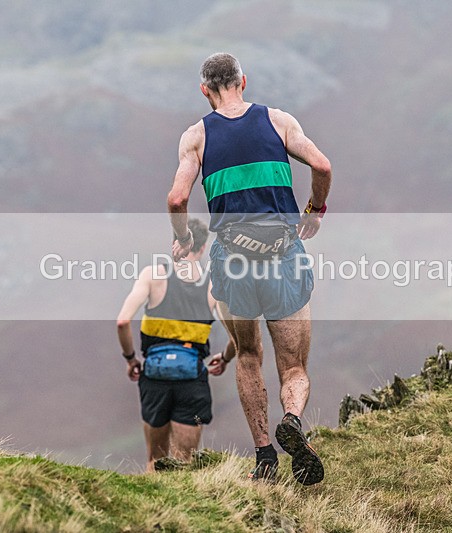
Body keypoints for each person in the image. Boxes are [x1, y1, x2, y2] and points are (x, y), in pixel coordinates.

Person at [167, 53, 332, 484]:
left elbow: (177, 200)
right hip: (282, 254)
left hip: (233, 261)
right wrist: (315, 209)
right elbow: (322, 165)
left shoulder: (196, 137)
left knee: (249, 357)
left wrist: (186, 241)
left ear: (205, 91)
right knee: (293, 367)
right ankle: (292, 421)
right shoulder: (278, 122)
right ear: (244, 80)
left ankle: (264, 455)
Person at [116, 218, 234, 472]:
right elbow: (237, 337)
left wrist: (131, 359)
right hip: (191, 380)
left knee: (154, 461)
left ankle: (151, 510)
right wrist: (224, 358)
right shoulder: (212, 285)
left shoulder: (152, 275)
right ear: (202, 249)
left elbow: (123, 321)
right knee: (184, 463)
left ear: (174, 242)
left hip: (154, 377)